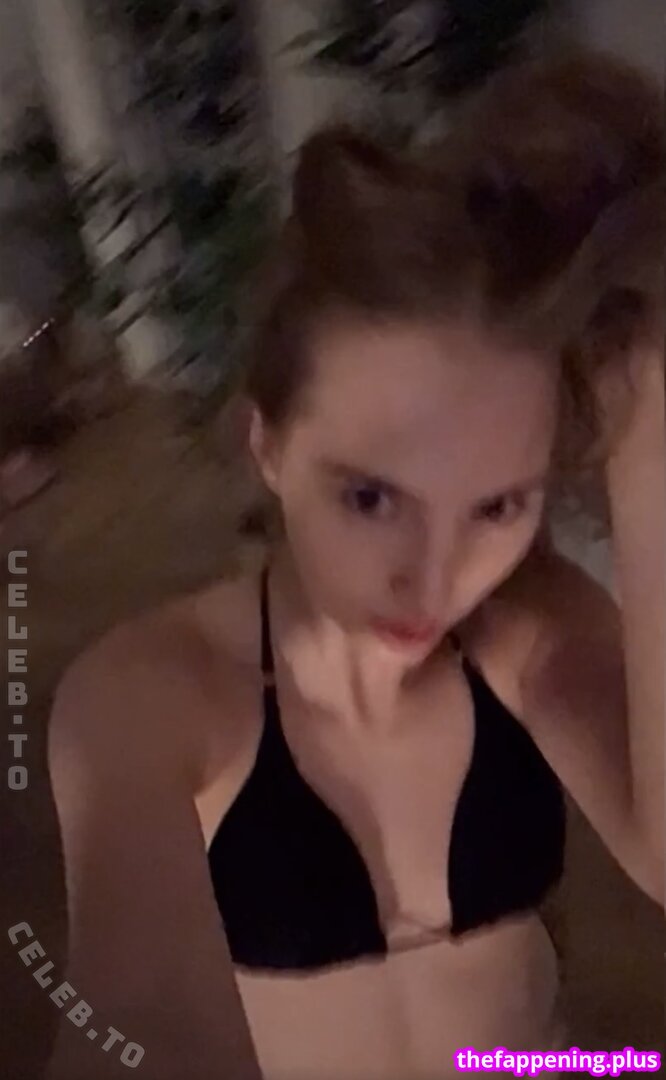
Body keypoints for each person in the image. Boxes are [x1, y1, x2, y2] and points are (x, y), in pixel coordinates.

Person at [45, 50, 664, 1080]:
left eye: (497, 505)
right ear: (268, 444)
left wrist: (643, 403)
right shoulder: (150, 698)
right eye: (372, 498)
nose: (436, 578)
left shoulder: (527, 631)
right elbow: (141, 1020)